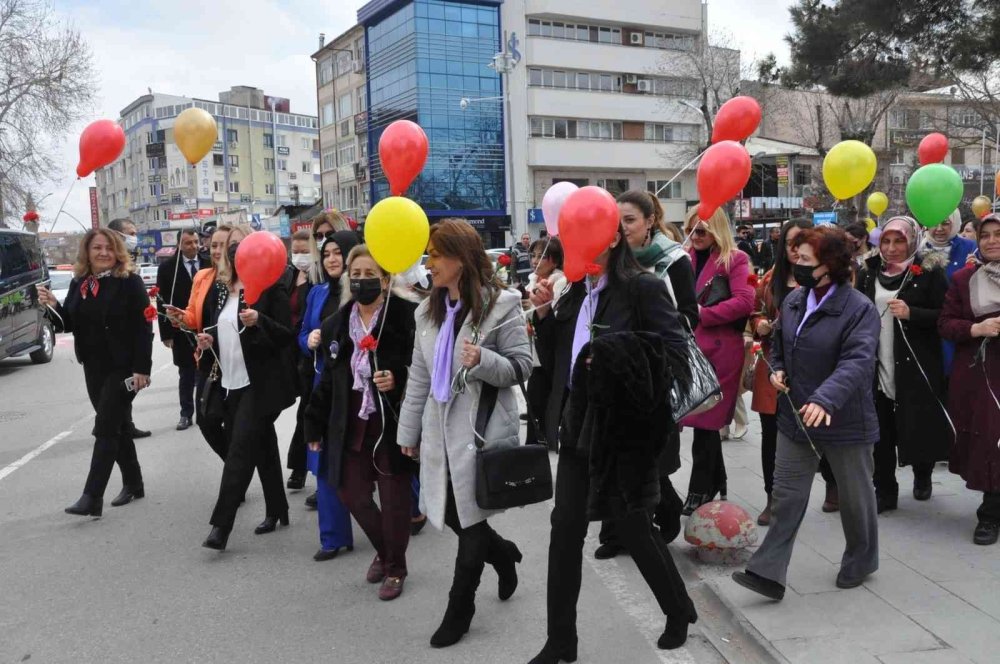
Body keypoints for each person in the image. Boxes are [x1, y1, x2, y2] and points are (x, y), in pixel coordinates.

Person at [527, 218, 697, 664]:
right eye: (572, 240)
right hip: (577, 424)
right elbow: (558, 361)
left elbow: (675, 355)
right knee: (565, 530)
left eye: (588, 238)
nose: (578, 248)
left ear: (615, 237)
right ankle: (561, 639)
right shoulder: (574, 289)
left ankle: (678, 610)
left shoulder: (641, 287)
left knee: (633, 526)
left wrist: (616, 357)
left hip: (624, 429)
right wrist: (545, 315)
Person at [396, 219, 529, 648]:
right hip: (437, 429)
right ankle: (503, 554)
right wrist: (408, 430)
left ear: (462, 258)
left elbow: (521, 367)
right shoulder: (427, 310)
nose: (429, 263)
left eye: (436, 254)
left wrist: (483, 360)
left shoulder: (502, 306)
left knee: (470, 523)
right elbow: (418, 376)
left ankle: (460, 609)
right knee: (455, 515)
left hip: (479, 431)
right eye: (428, 254)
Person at [732, 226, 881, 600]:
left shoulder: (858, 309)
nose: (795, 265)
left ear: (829, 266)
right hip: (795, 418)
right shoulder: (796, 301)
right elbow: (779, 343)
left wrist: (825, 399)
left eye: (805, 260)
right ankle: (768, 572)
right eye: (795, 257)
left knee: (856, 498)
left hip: (844, 419)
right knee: (786, 496)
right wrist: (778, 368)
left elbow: (856, 362)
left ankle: (861, 559)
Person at [305, 245, 418, 599]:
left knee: (394, 500)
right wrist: (313, 425)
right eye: (356, 275)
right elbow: (327, 380)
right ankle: (385, 552)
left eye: (370, 275)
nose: (362, 281)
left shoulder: (406, 316)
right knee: (351, 494)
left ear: (385, 280)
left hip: (390, 423)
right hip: (349, 423)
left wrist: (397, 377)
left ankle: (396, 569)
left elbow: (424, 368)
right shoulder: (335, 324)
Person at [599, 189, 697, 555]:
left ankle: (665, 509)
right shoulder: (606, 261)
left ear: (650, 221)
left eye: (630, 220)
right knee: (615, 455)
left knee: (648, 458)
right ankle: (615, 532)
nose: (623, 229)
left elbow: (689, 315)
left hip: (654, 373)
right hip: (613, 374)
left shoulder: (673, 261)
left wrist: (646, 335)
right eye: (617, 221)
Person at [37, 229, 153, 516]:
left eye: (109, 248)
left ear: (117, 252)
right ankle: (134, 483)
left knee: (105, 427)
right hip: (93, 367)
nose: (103, 253)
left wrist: (142, 369)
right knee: (118, 426)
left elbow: (144, 327)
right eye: (97, 248)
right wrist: (52, 305)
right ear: (87, 252)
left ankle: (92, 496)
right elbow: (69, 324)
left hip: (123, 368)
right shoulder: (80, 283)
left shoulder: (130, 283)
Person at [198, 227, 297, 551]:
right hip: (231, 382)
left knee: (239, 451)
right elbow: (223, 327)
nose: (240, 261)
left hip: (261, 385)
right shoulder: (224, 290)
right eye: (235, 256)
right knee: (263, 446)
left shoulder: (270, 290)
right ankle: (277, 508)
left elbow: (286, 336)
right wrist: (209, 338)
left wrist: (260, 322)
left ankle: (220, 527)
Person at [858, 216, 951, 512]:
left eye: (899, 240)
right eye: (886, 240)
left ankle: (922, 474)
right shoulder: (869, 272)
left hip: (916, 362)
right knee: (881, 432)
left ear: (911, 240)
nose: (892, 247)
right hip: (877, 362)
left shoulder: (928, 271)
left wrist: (914, 314)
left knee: (917, 423)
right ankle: (885, 490)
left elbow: (946, 316)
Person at [681, 208, 756, 515]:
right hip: (691, 348)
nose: (695, 236)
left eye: (702, 231)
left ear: (716, 230)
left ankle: (699, 489)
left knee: (706, 422)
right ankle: (716, 480)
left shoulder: (733, 258)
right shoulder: (684, 258)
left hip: (721, 347)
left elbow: (745, 301)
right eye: (691, 230)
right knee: (702, 422)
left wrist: (701, 314)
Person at [298, 231, 359, 560]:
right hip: (326, 387)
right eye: (327, 254)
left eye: (339, 252)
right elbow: (303, 333)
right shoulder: (317, 293)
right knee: (323, 460)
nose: (333, 259)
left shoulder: (364, 288)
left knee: (373, 461)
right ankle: (333, 537)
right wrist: (308, 341)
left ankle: (409, 511)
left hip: (361, 388)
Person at [939, 214, 1000, 544]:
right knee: (991, 438)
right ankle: (989, 514)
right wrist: (976, 328)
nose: (991, 240)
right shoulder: (964, 279)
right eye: (985, 235)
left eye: (998, 234)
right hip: (982, 374)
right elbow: (945, 323)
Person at [749, 218, 813, 525]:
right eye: (789, 242)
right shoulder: (772, 278)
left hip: (811, 365)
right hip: (773, 365)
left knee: (816, 430)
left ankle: (834, 484)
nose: (795, 248)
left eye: (801, 241)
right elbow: (756, 310)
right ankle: (772, 498)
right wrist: (759, 323)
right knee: (770, 433)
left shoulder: (820, 278)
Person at [164, 224, 236, 461]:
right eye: (213, 245)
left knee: (239, 425)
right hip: (209, 360)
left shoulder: (242, 277)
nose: (216, 251)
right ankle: (236, 466)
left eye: (223, 245)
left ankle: (236, 476)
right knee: (206, 421)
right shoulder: (203, 276)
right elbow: (193, 318)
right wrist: (179, 317)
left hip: (238, 361)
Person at [156, 228, 210, 431]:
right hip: (181, 329)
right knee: (186, 374)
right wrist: (166, 334)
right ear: (179, 244)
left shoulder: (208, 263)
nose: (194, 246)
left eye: (196, 242)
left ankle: (207, 412)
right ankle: (186, 414)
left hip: (206, 327)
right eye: (188, 243)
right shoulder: (168, 268)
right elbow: (162, 304)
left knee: (206, 371)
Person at [105, 217, 151, 440]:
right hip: (109, 349)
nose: (135, 238)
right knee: (109, 419)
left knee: (114, 414)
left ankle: (124, 425)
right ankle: (122, 426)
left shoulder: (131, 267)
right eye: (130, 233)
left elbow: (143, 320)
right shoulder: (102, 268)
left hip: (130, 344)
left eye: (135, 233)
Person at [285, 229, 320, 491]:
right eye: (295, 252)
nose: (299, 257)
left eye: (304, 251)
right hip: (290, 350)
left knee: (307, 411)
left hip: (311, 351)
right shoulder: (287, 276)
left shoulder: (320, 280)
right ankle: (299, 465)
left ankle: (301, 467)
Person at [525, 237, 567, 451]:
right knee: (534, 402)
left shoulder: (559, 282)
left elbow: (551, 315)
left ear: (555, 259)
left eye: (541, 256)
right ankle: (534, 444)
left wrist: (536, 317)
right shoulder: (532, 280)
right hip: (535, 353)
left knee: (545, 400)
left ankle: (543, 441)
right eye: (533, 255)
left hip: (550, 352)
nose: (535, 261)